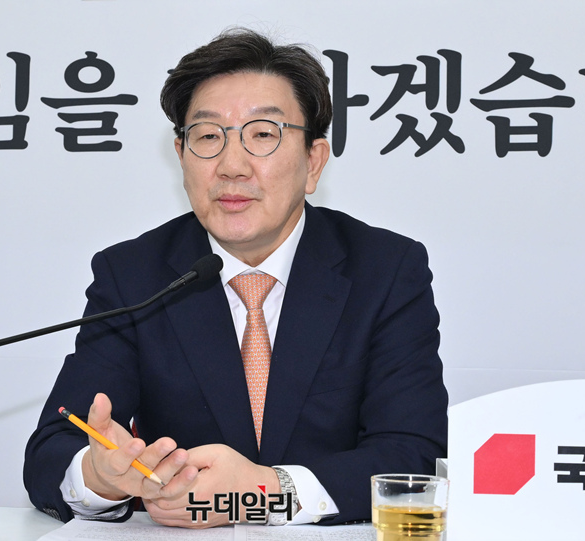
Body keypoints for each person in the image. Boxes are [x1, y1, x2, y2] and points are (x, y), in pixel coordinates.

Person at [24, 28, 448, 527]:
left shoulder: (385, 269)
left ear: (313, 161)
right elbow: (52, 451)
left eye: (263, 134)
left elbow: (412, 456)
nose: (231, 166)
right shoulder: (134, 275)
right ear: (181, 156)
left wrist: (265, 494)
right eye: (208, 136)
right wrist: (101, 476)